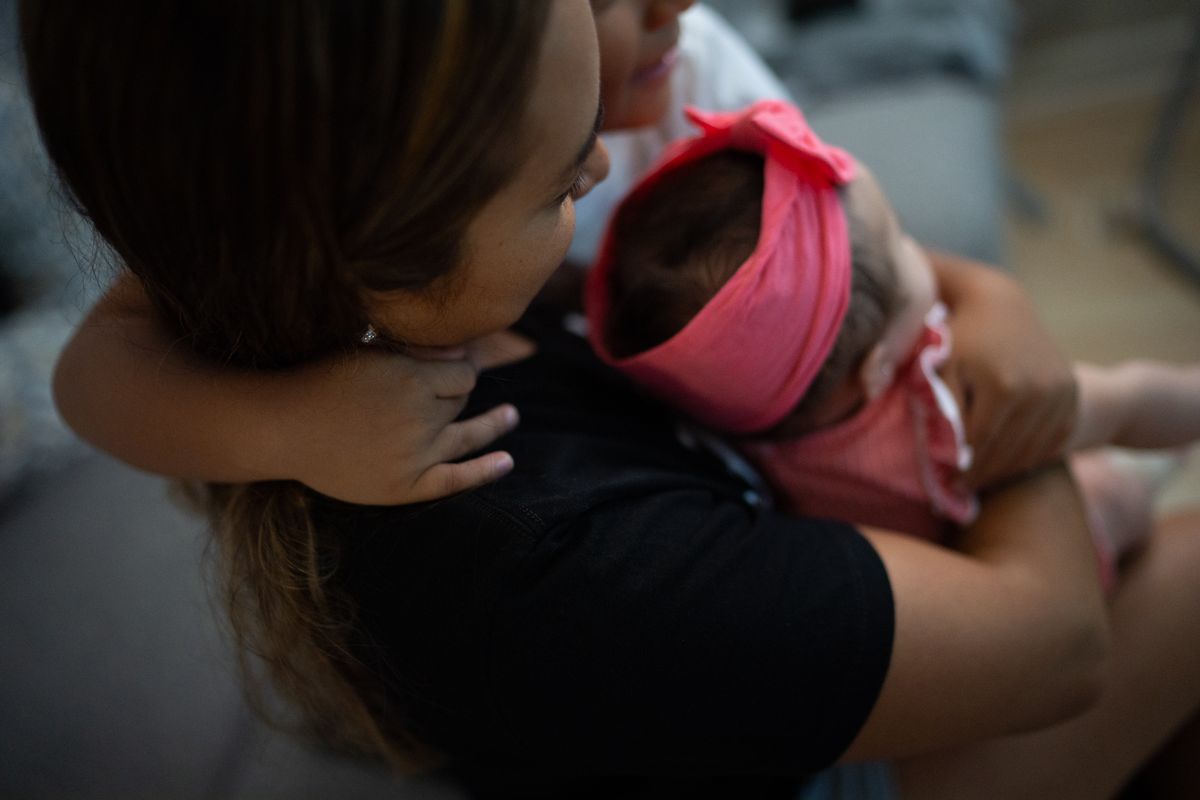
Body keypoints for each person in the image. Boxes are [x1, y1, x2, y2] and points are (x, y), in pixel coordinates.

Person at [21, 2, 1200, 798]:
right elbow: (1057, 649)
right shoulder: (545, 554)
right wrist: (981, 404)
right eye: (554, 180)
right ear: (374, 250)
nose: (597, 175)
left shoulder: (295, 262)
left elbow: (841, 270)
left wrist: (983, 305)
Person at [586, 99, 1199, 585]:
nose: (921, 250)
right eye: (904, 240)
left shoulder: (737, 419)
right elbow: (1124, 401)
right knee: (1110, 481)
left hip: (920, 565)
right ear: (877, 369)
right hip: (1043, 566)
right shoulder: (941, 416)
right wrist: (1155, 395)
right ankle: (1144, 491)